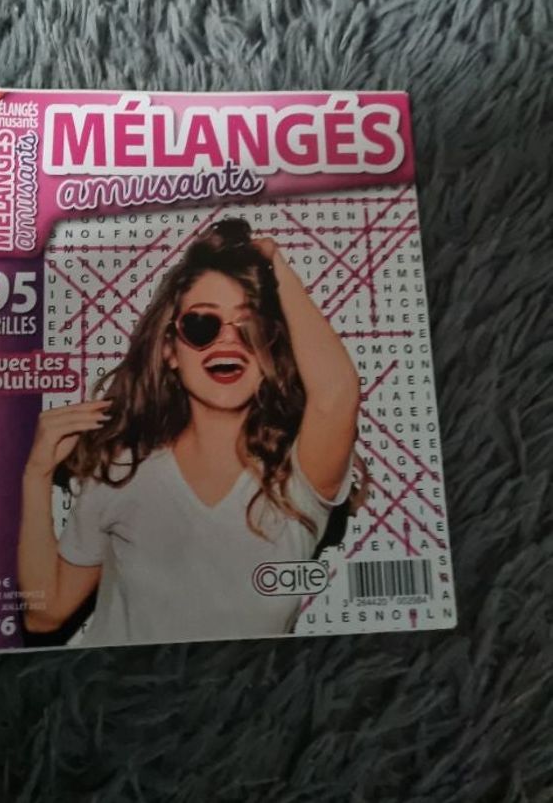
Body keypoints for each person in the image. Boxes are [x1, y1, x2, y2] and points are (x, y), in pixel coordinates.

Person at [18, 217, 366, 646]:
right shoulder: (122, 470)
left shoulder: (296, 481)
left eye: (250, 327)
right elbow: (45, 615)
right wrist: (35, 475)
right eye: (202, 324)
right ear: (170, 352)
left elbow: (336, 393)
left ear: (269, 352)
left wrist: (274, 263)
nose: (228, 342)